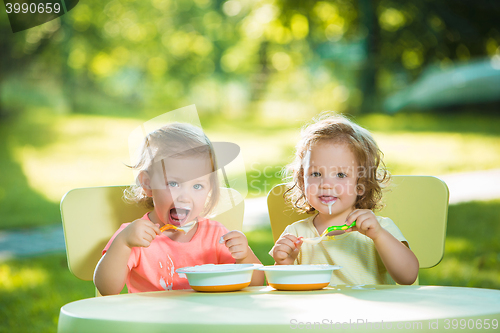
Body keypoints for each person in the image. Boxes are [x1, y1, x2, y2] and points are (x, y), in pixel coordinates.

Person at [94, 123, 264, 295]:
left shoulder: (215, 235)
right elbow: (107, 289)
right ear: (147, 183)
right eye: (173, 184)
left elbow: (256, 285)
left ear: (210, 189)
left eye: (197, 186)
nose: (184, 196)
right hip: (150, 319)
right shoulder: (134, 236)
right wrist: (123, 243)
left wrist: (244, 256)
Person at [271, 113, 419, 285]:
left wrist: (379, 236)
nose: (326, 184)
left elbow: (408, 277)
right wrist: (285, 262)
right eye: (316, 174)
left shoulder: (379, 229)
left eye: (340, 175)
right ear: (303, 181)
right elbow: (280, 290)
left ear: (360, 184)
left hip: (373, 311)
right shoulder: (296, 234)